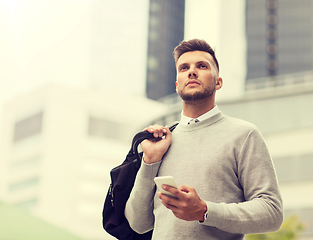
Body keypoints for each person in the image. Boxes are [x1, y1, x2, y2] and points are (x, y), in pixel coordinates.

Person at [125, 39, 283, 240]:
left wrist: (204, 211)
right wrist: (150, 161)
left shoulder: (244, 135)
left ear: (218, 82)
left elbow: (272, 212)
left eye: (201, 66)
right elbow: (138, 224)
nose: (191, 72)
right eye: (184, 68)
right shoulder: (161, 142)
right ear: (177, 85)